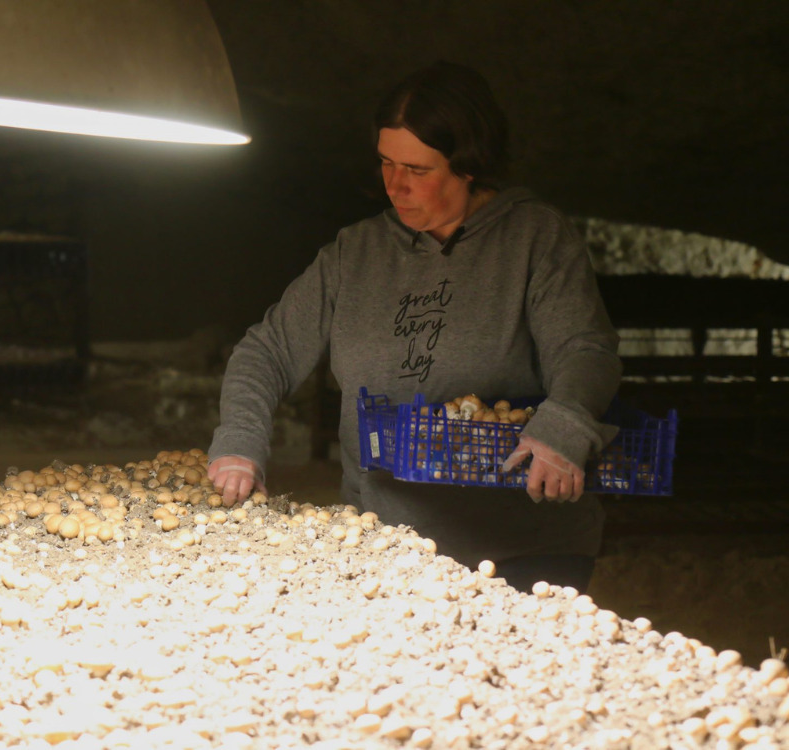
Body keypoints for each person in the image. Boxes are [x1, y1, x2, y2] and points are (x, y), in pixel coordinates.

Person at [206, 61, 621, 594]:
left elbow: (586, 348)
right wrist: (240, 442)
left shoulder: (535, 239)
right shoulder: (354, 253)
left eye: (418, 170)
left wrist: (565, 424)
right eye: (386, 163)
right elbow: (266, 351)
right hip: (384, 545)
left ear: (469, 166)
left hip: (527, 550)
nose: (395, 186)